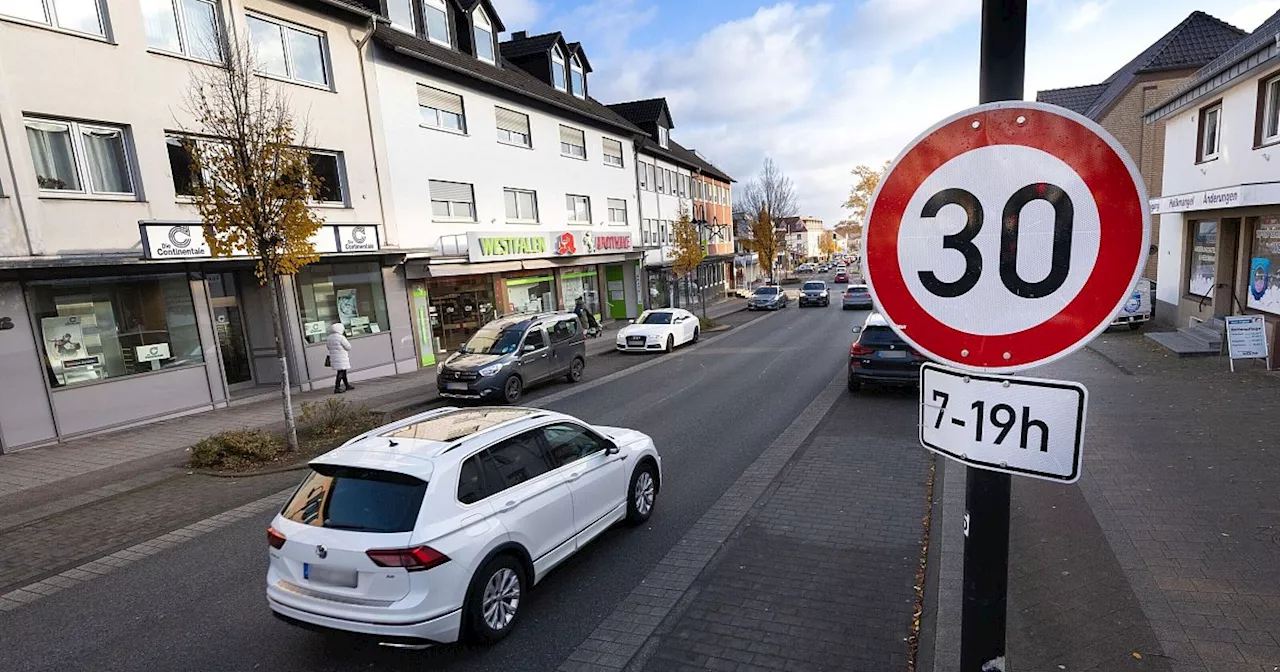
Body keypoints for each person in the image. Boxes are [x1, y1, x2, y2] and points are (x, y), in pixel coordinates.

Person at [326, 323, 354, 394]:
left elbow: (328, 347)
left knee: (343, 371)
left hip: (334, 357)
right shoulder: (341, 337)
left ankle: (347, 385)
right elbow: (348, 347)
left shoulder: (329, 337)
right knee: (341, 372)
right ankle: (337, 388)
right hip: (341, 357)